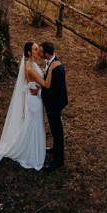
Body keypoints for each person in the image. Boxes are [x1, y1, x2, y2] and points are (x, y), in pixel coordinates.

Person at [0, 41, 58, 206]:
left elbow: (36, 84)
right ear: (30, 52)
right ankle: (30, 153)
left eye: (38, 48)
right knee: (34, 126)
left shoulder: (31, 63)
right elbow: (45, 84)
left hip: (35, 97)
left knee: (35, 125)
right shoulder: (30, 67)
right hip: (34, 103)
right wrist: (51, 69)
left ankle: (34, 148)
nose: (38, 50)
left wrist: (40, 80)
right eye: (36, 49)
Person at [39, 41, 68, 171]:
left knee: (57, 130)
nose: (39, 53)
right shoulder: (51, 61)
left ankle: (59, 160)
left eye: (41, 51)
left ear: (47, 53)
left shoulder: (58, 68)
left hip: (55, 104)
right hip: (52, 102)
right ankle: (55, 149)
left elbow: (53, 88)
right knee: (54, 128)